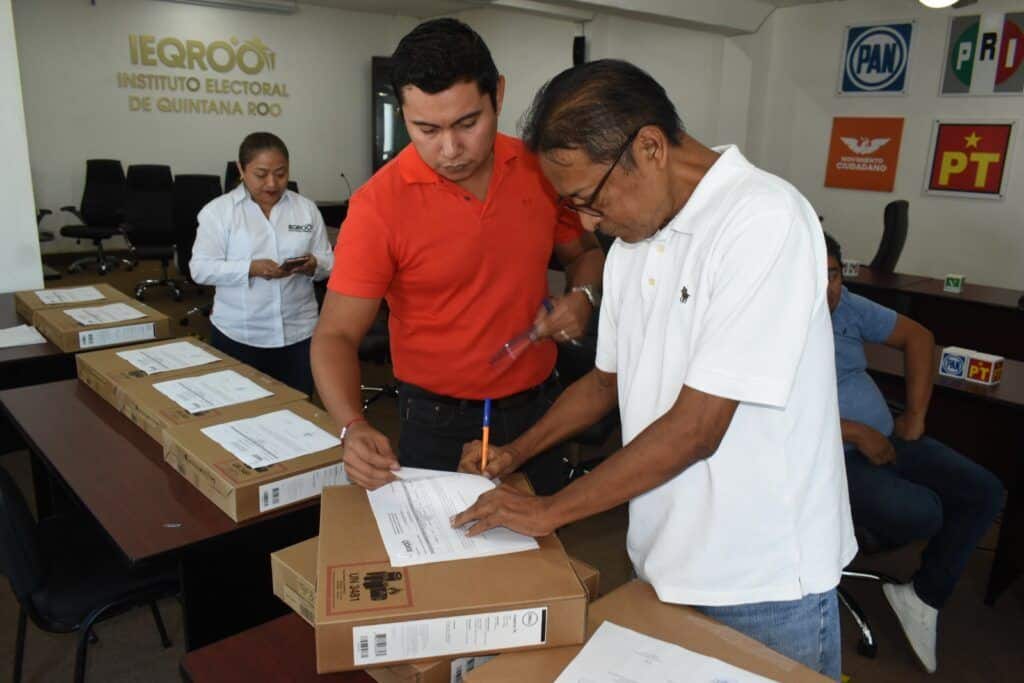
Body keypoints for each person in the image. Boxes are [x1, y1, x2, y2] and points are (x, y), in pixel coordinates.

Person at [451, 59, 855, 680]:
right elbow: (605, 383)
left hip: (763, 580)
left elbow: (698, 427)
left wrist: (549, 511)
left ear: (650, 147)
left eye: (590, 198)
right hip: (664, 561)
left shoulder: (763, 219)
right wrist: (515, 452)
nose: (587, 223)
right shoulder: (632, 245)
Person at [311, 19, 604, 495]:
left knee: (545, 555)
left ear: (499, 96)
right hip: (436, 421)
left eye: (468, 123)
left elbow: (585, 254)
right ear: (402, 114)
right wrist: (352, 426)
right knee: (445, 560)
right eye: (425, 129)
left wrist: (583, 296)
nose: (450, 150)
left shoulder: (538, 169)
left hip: (539, 412)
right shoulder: (378, 206)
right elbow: (335, 335)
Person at [824, 232, 1003, 674]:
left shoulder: (845, 305)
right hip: (829, 456)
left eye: (832, 274)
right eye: (812, 274)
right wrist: (853, 432)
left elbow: (918, 337)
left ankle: (922, 596)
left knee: (985, 492)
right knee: (925, 512)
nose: (826, 288)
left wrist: (916, 417)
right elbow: (762, 414)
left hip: (887, 438)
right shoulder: (770, 323)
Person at [190, 132, 333, 395]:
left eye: (280, 173)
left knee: (297, 411)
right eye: (261, 174)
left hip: (299, 333)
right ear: (241, 170)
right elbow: (200, 269)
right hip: (241, 334)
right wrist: (250, 268)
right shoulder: (218, 212)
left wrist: (314, 264)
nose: (272, 183)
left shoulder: (306, 209)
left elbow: (329, 262)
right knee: (240, 413)